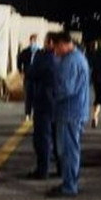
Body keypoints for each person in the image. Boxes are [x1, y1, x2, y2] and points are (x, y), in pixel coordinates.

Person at [50, 31, 90, 196]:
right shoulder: (78, 57)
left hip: (69, 112)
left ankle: (69, 186)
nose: (55, 52)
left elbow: (66, 88)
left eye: (56, 48)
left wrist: (52, 94)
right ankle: (69, 182)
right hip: (75, 110)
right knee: (70, 149)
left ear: (63, 44)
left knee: (68, 150)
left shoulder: (70, 61)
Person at [24, 32, 59, 178]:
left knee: (42, 139)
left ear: (50, 42)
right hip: (60, 104)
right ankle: (62, 168)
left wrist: (28, 107)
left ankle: (42, 170)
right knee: (58, 139)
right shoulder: (65, 58)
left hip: (44, 103)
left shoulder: (43, 57)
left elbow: (31, 74)